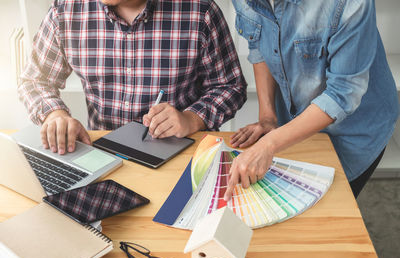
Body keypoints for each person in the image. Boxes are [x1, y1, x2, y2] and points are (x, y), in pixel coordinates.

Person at [18, 0, 246, 155]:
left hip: (181, 153)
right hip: (101, 153)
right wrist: (54, 114)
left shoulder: (199, 10)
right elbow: (35, 80)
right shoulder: (67, 10)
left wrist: (191, 118)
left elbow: (231, 86)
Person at [224, 0, 399, 200]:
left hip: (356, 129)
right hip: (297, 125)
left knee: (331, 211)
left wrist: (269, 144)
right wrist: (267, 117)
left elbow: (343, 92)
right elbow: (259, 44)